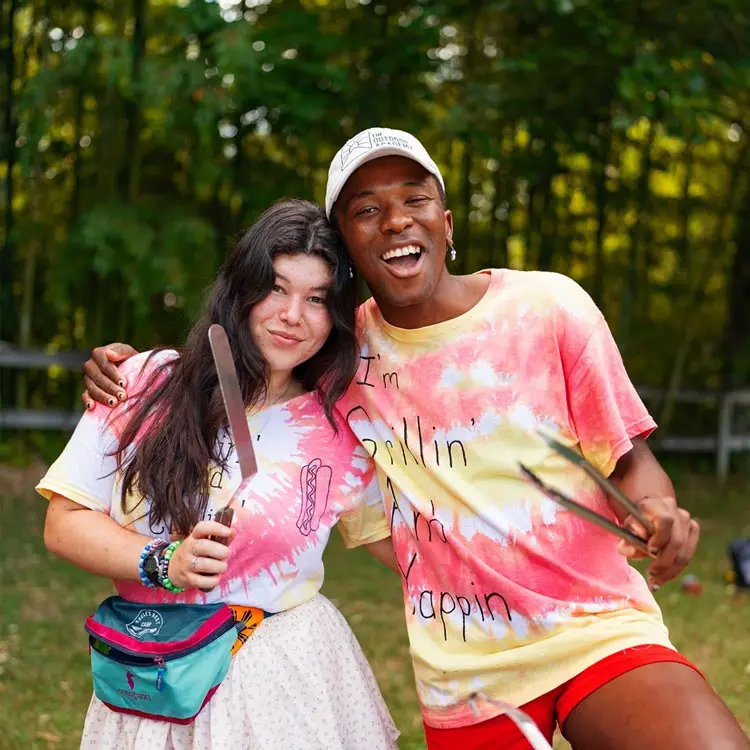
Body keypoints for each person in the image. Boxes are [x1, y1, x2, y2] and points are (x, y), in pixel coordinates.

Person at [81, 129, 750, 750]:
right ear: (345, 247)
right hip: (465, 668)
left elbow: (630, 456)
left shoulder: (550, 308)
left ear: (446, 223)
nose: (395, 219)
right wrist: (133, 371)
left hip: (595, 626)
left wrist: (659, 510)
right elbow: (241, 363)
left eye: (414, 198)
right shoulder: (338, 357)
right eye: (366, 209)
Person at [37, 199, 400, 750]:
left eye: (317, 298)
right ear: (241, 289)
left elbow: (406, 549)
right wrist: (165, 562)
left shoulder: (341, 428)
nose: (292, 315)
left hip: (280, 680)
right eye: (276, 288)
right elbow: (63, 522)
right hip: (151, 680)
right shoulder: (142, 382)